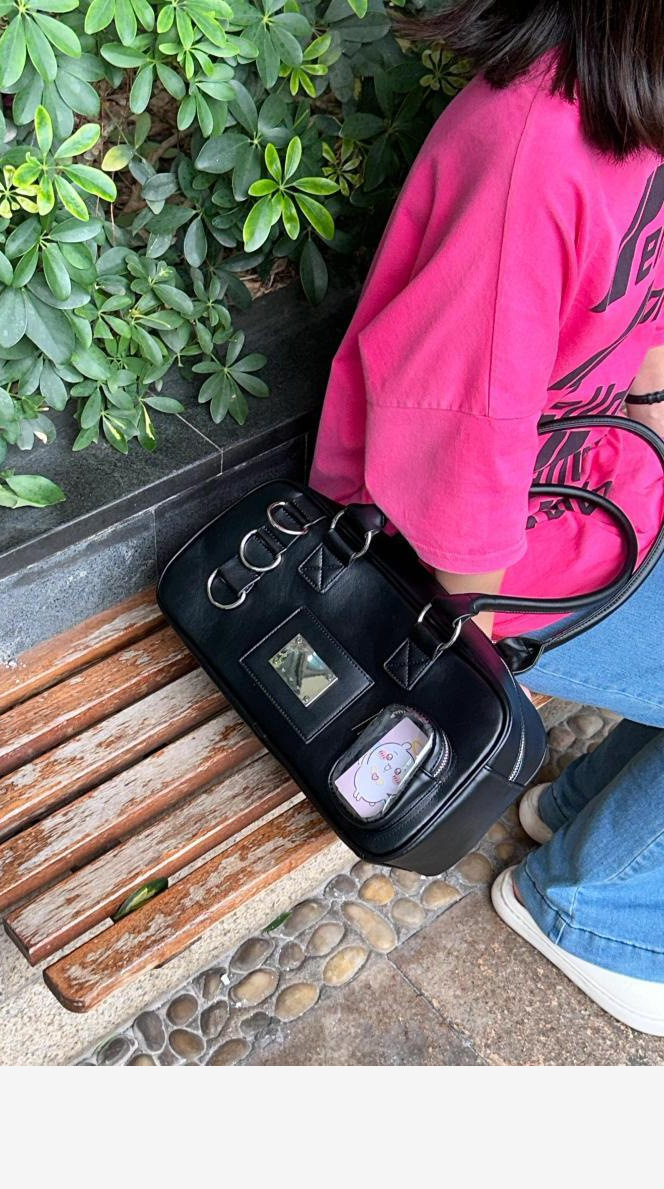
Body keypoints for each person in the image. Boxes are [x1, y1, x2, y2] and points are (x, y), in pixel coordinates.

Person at [308, 0, 664, 1035]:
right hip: (469, 569)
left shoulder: (635, 104)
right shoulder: (529, 154)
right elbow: (457, 492)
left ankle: (586, 816)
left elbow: (646, 321)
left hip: (600, 495)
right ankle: (598, 916)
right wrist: (483, 668)